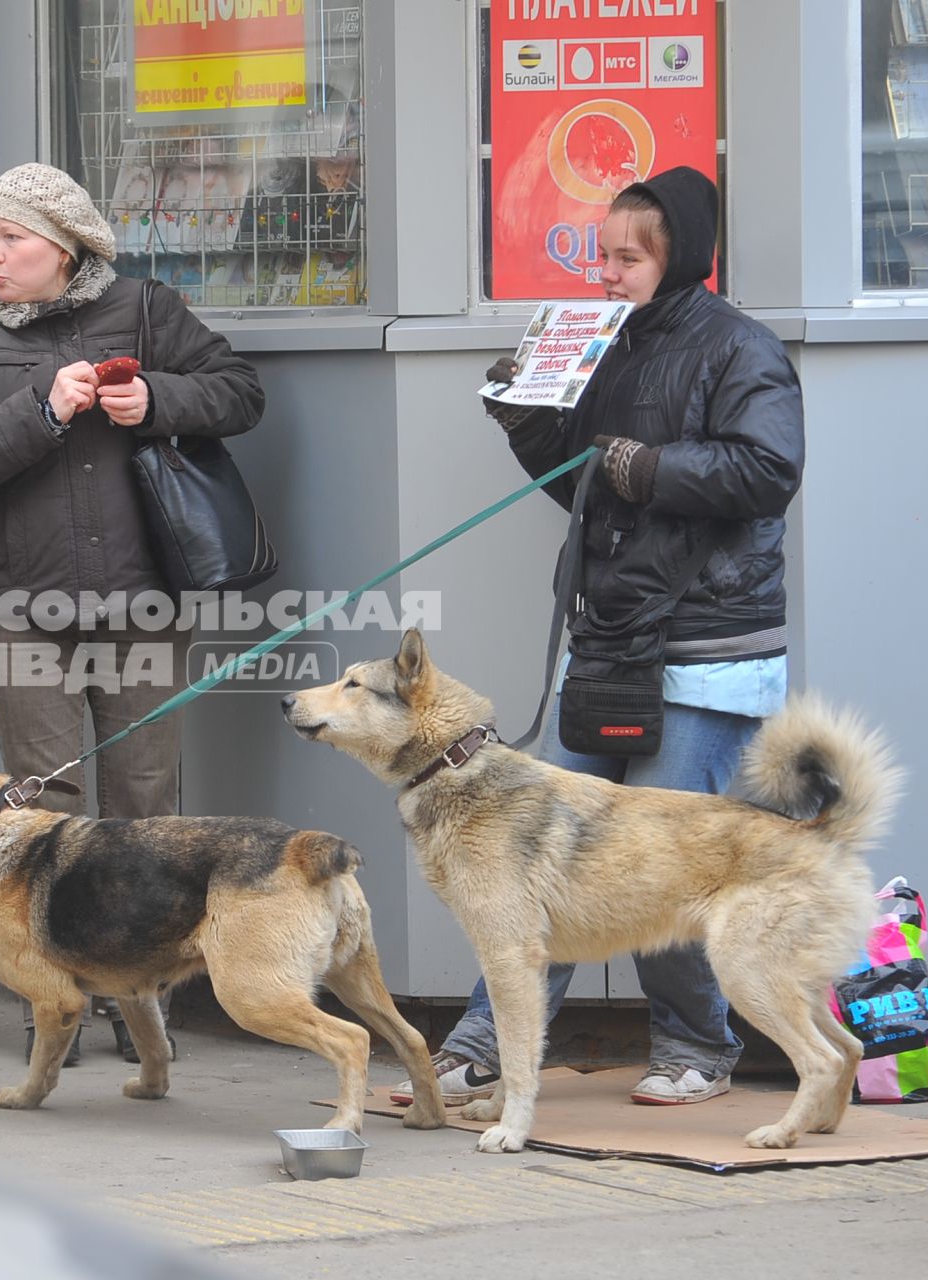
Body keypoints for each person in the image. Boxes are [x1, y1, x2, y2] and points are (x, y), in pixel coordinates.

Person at [397, 166, 805, 1109]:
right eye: (604, 254)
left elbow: (768, 469)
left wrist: (651, 463)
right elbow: (583, 483)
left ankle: (697, 1044)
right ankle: (486, 1039)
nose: (608, 273)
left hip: (707, 652)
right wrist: (528, 420)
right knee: (535, 850)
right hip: (611, 630)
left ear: (683, 256)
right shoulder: (605, 342)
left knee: (665, 864)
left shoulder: (743, 349)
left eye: (630, 257)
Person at [0, 163, 265, 1065]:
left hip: (143, 597)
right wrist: (40, 410)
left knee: (146, 807)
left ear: (65, 248)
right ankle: (55, 998)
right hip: (22, 602)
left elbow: (240, 392)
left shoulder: (146, 311)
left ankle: (137, 1002)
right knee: (43, 806)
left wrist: (159, 400)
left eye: (12, 240)